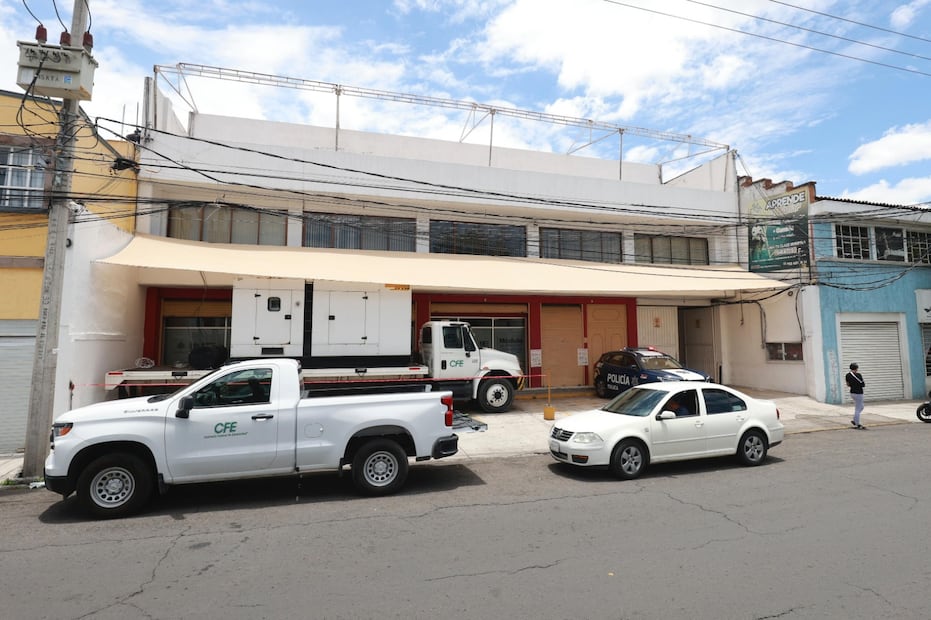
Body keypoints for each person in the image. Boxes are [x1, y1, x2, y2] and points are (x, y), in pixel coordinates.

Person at [845, 362, 865, 429]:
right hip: (859, 393)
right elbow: (863, 384)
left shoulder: (847, 375)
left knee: (861, 407)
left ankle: (855, 420)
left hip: (852, 392)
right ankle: (857, 424)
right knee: (858, 408)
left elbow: (847, 384)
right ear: (856, 368)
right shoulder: (858, 375)